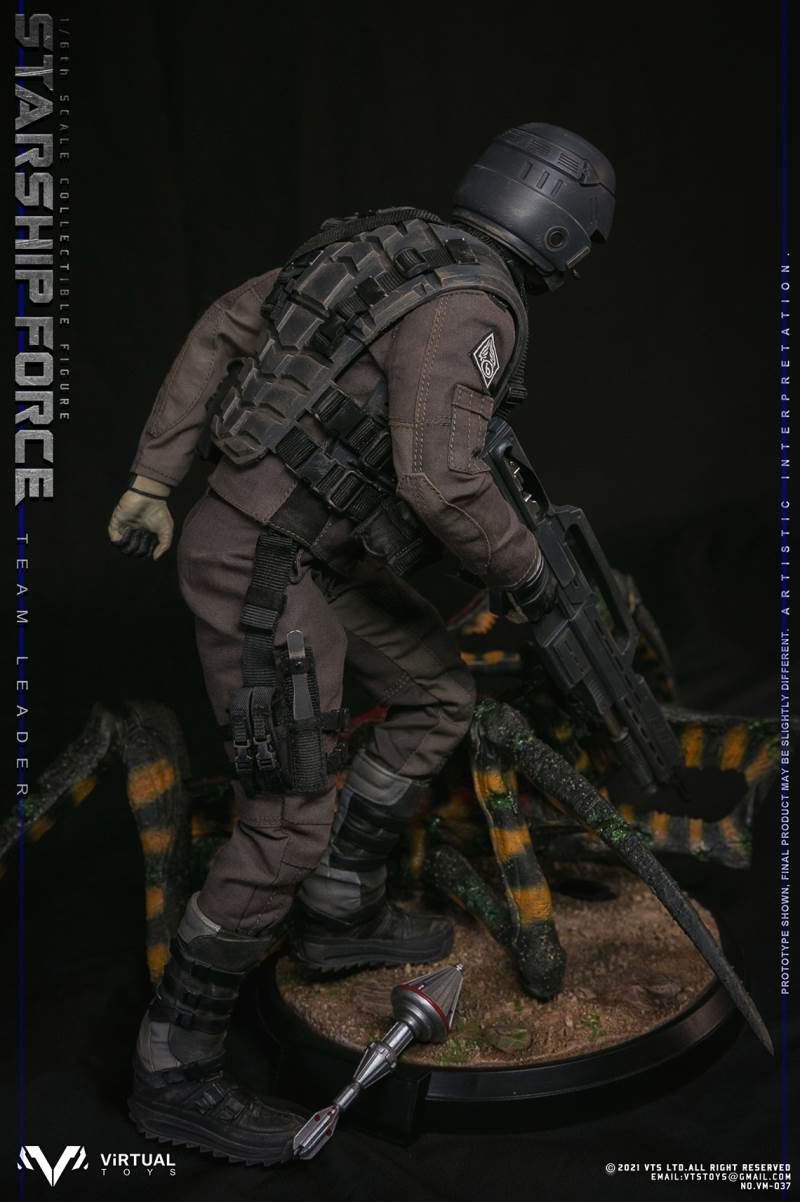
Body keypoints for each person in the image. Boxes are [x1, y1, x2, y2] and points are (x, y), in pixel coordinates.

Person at [110, 123, 615, 1165]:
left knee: (436, 694)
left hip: (313, 549)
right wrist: (524, 569)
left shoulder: (384, 246)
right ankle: (175, 1064)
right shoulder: (472, 305)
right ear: (566, 234)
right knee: (284, 823)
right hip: (264, 565)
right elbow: (441, 480)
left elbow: (220, 326)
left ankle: (339, 910)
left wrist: (156, 476)